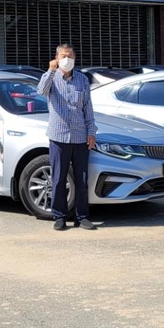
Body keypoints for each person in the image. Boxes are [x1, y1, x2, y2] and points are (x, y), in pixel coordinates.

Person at [37, 44, 97, 230]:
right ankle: (59, 216)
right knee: (59, 179)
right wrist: (51, 70)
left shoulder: (82, 80)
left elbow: (87, 107)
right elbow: (41, 91)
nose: (67, 59)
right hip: (59, 136)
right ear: (56, 57)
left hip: (80, 136)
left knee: (82, 179)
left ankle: (82, 216)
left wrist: (91, 132)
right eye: (63, 56)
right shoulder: (52, 78)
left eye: (70, 56)